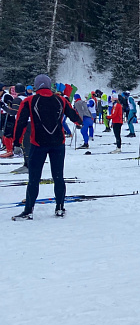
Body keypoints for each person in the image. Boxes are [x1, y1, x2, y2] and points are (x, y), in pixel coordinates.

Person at [11, 74, 82, 220]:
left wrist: (16, 141)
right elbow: (74, 115)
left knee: (34, 178)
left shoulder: (30, 101)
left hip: (38, 143)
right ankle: (60, 208)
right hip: (57, 143)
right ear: (49, 85)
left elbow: (20, 122)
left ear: (37, 86)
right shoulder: (60, 99)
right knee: (58, 177)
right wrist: (79, 122)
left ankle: (28, 210)